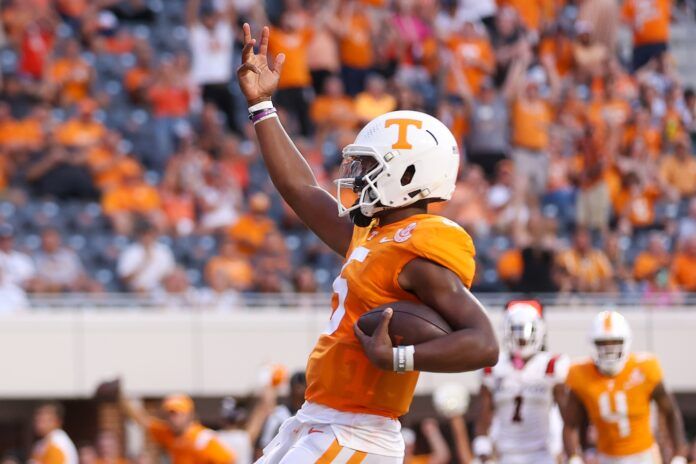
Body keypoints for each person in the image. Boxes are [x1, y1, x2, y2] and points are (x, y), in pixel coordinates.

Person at [237, 24, 498, 463]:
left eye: (371, 167)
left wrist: (402, 359)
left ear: (409, 174)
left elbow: (484, 342)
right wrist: (262, 106)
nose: (358, 178)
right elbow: (302, 190)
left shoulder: (421, 246)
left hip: (357, 430)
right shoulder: (372, 234)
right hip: (318, 418)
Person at [564, 311, 688, 464]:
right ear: (592, 343)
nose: (609, 349)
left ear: (626, 342)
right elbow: (571, 423)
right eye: (602, 343)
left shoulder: (645, 368)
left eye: (614, 342)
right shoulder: (579, 373)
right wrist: (574, 457)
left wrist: (679, 453)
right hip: (606, 457)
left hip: (643, 455)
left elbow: (670, 411)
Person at [473, 300, 569, 464]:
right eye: (516, 332)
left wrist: (568, 451)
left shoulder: (551, 364)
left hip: (543, 454)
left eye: (525, 333)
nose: (521, 339)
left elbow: (566, 415)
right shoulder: (494, 367)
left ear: (538, 332)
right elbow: (484, 415)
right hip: (505, 454)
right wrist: (483, 451)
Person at [119, 392, 234, 464]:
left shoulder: (202, 439)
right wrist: (120, 396)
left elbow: (228, 460)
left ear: (190, 415)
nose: (172, 418)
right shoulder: (168, 432)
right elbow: (143, 421)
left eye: (177, 413)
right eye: (169, 414)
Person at [218, 383, 278, 464]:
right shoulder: (244, 438)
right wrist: (268, 385)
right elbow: (263, 410)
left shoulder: (214, 438)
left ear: (222, 419)